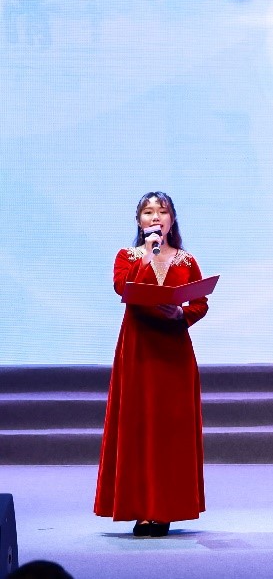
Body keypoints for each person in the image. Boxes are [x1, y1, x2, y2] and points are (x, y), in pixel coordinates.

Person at [94, 192, 208, 538]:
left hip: (173, 351)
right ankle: (141, 509)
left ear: (172, 220)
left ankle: (165, 508)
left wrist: (181, 314)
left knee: (170, 431)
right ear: (139, 221)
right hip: (138, 350)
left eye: (162, 212)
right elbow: (123, 287)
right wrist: (148, 255)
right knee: (138, 427)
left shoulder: (187, 260)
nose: (155, 217)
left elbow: (200, 302)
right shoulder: (126, 256)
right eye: (148, 212)